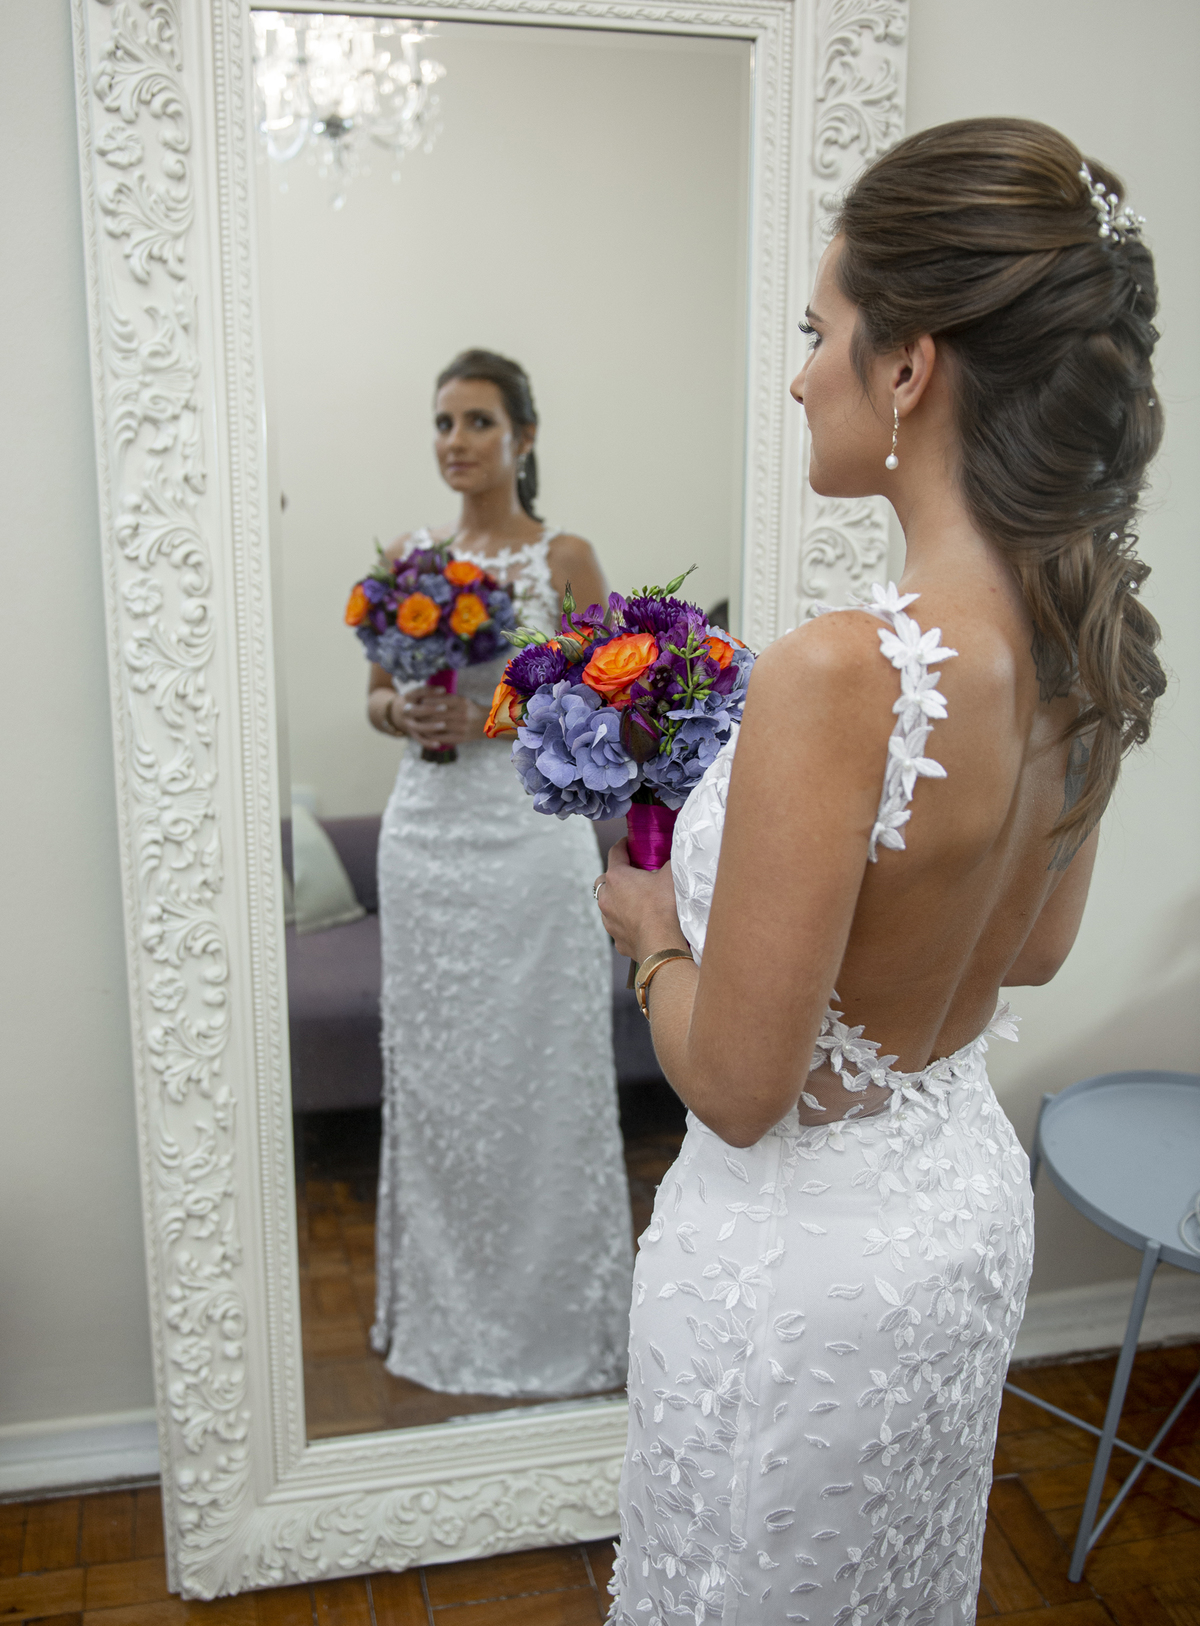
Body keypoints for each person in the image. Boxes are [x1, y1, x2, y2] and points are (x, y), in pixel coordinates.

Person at [597, 121, 1165, 1621]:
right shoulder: (1081, 641)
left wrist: (652, 935)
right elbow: (1030, 951)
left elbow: (740, 1087)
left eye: (818, 332)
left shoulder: (841, 674)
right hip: (957, 1222)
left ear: (909, 366)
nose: (801, 378)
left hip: (798, 1272)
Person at [367, 347, 633, 1398]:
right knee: (438, 1080)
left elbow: (603, 706)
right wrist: (401, 709)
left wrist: (488, 712)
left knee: (542, 1071)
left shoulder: (566, 558)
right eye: (443, 422)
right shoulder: (408, 557)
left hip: (528, 844)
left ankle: (555, 1322)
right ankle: (445, 1312)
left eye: (477, 421)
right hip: (425, 842)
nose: (456, 442)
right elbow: (374, 696)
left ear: (523, 436)